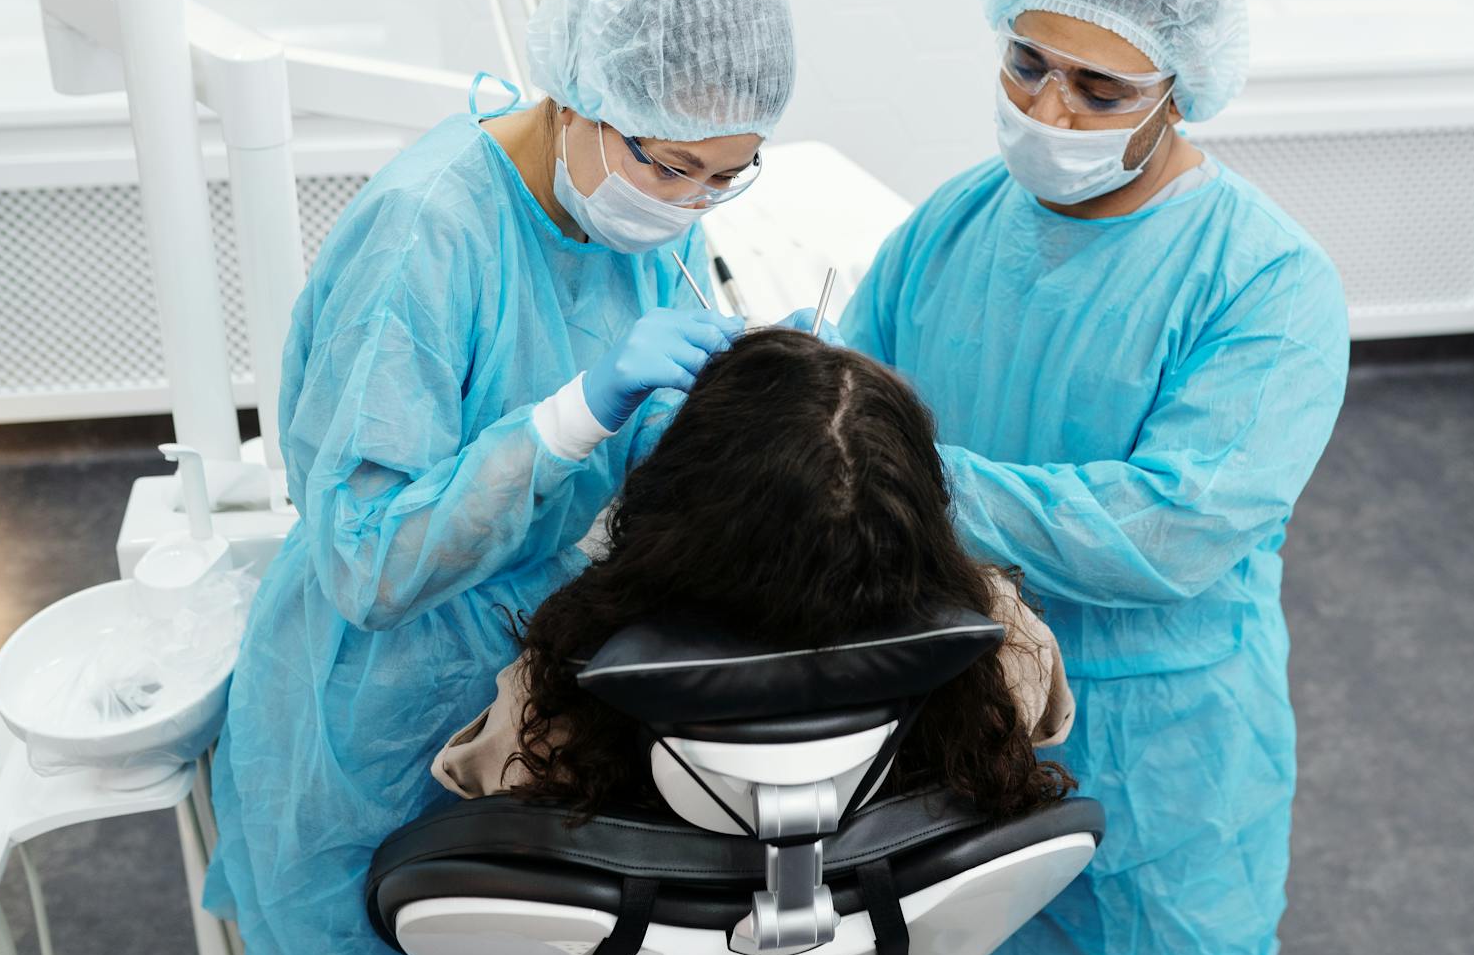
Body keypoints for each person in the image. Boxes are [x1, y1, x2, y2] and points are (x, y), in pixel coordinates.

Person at [203, 0, 801, 955]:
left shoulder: (641, 210)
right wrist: (573, 413)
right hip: (379, 712)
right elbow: (367, 562)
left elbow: (643, 433)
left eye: (727, 176)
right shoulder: (427, 236)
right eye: (671, 165)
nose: (686, 204)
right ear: (577, 92)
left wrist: (744, 390)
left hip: (527, 681)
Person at [839, 0, 1351, 955]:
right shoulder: (962, 217)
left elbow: (1170, 526)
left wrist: (913, 484)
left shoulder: (1265, 280)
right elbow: (848, 390)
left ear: (1180, 89)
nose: (1047, 108)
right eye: (1027, 64)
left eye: (1099, 89)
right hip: (964, 706)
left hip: (1155, 747)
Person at [430, 327, 1076, 815]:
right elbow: (1042, 722)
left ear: (677, 497)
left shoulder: (572, 681)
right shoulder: (999, 645)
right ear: (920, 508)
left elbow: (481, 785)